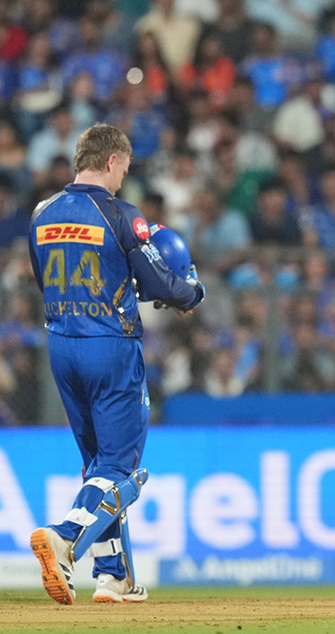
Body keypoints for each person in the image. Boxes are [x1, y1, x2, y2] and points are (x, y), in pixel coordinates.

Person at [27, 124, 205, 605]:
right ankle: (65, 537)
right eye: (124, 168)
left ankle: (114, 576)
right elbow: (165, 285)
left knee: (98, 467)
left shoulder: (42, 214)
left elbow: (41, 277)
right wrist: (192, 291)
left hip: (61, 344)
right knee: (121, 468)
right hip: (110, 344)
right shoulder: (120, 214)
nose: (125, 178)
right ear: (111, 161)